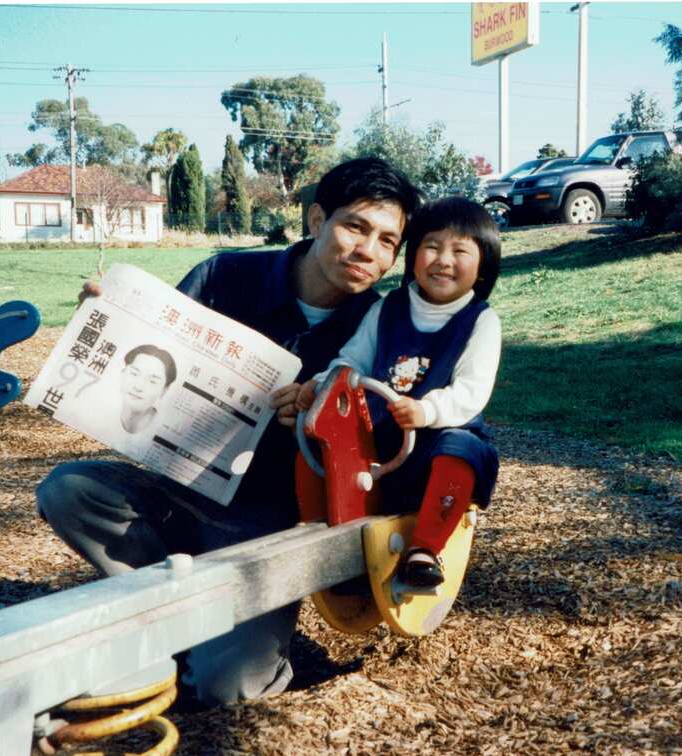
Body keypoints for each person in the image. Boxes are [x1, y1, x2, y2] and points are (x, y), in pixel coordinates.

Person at [35, 157, 421, 706]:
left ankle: (224, 637)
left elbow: (380, 454)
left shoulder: (382, 325)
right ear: (316, 220)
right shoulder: (225, 277)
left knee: (227, 687)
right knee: (68, 489)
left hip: (275, 528)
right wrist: (105, 322)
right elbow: (149, 357)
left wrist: (322, 424)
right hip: (182, 494)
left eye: (388, 241)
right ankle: (161, 610)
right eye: (355, 227)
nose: (368, 252)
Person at [295, 197, 502, 588]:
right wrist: (324, 384)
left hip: (436, 434)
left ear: (481, 267)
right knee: (316, 435)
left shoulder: (481, 321)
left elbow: (472, 391)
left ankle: (425, 548)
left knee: (461, 450)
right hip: (383, 432)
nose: (443, 260)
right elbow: (352, 359)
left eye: (460, 251)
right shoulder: (388, 308)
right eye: (432, 246)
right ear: (414, 256)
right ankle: (315, 527)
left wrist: (426, 411)